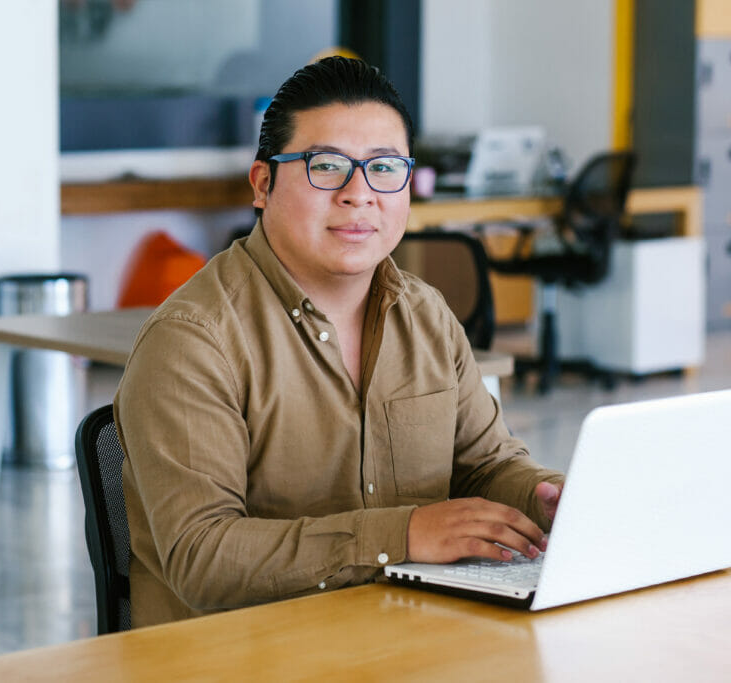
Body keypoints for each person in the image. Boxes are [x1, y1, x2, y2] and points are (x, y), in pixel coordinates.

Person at [114, 56, 565, 627]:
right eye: (326, 166)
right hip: (243, 658)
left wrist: (547, 496)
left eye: (384, 168)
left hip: (400, 639)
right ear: (263, 183)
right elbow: (202, 557)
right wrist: (401, 535)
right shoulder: (193, 342)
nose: (359, 194)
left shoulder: (425, 315)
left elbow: (484, 466)